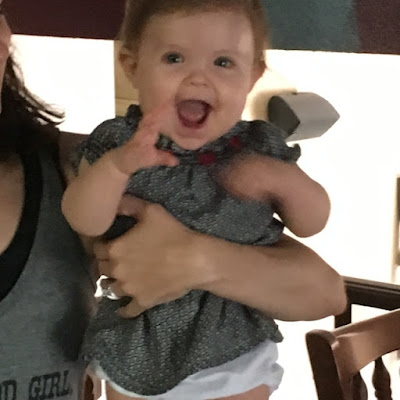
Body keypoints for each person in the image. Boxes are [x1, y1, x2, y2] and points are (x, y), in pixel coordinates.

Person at [0, 2, 345, 400]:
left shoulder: (256, 148)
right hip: (139, 341)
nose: (198, 77)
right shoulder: (117, 147)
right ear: (133, 66)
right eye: (174, 58)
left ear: (253, 76)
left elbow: (321, 265)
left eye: (223, 62)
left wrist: (281, 180)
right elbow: (84, 217)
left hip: (232, 341)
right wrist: (117, 167)